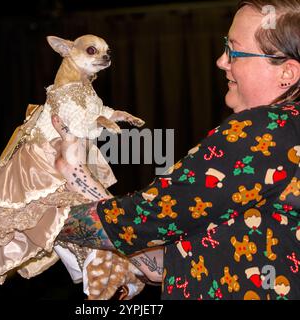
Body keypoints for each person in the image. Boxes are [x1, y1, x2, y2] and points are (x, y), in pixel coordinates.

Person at [55, 0, 300, 300]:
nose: (222, 61)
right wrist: (80, 176)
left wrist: (40, 220)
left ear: (287, 73)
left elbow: (145, 218)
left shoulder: (266, 129)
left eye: (234, 51)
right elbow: (163, 258)